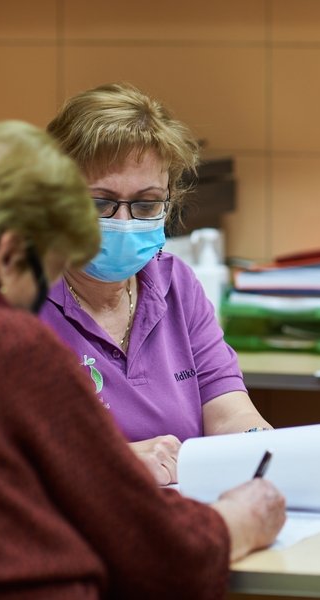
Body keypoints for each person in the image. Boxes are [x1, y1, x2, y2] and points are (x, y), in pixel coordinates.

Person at [0, 120, 285, 599]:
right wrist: (241, 519)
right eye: (47, 273)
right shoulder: (5, 347)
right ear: (10, 254)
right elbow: (162, 552)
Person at [42, 82, 272, 485]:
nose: (124, 222)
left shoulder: (174, 283)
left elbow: (228, 411)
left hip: (179, 510)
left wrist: (268, 448)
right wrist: (117, 460)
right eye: (100, 203)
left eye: (147, 204)